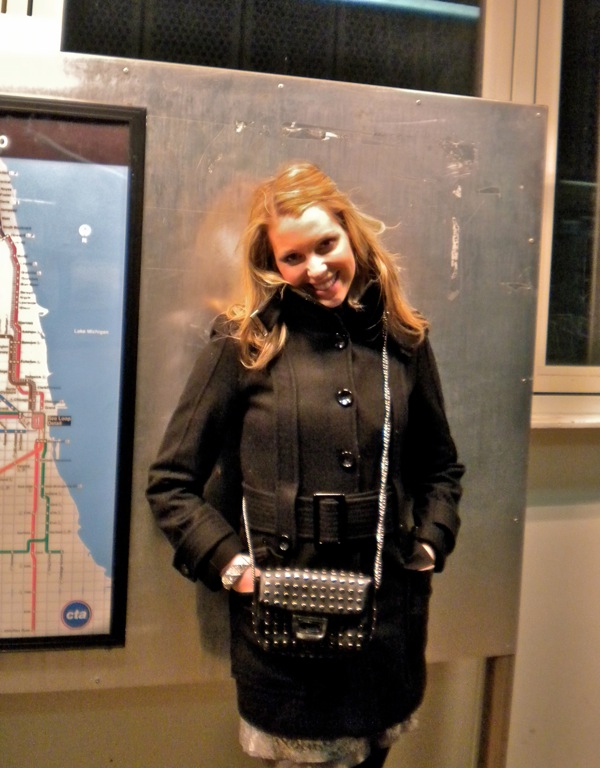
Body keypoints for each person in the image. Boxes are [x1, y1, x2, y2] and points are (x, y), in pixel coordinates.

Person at [146, 161, 465, 768]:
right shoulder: (245, 343)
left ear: (350, 234)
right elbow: (170, 483)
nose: (315, 268)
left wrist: (429, 544)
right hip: (286, 643)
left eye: (325, 244)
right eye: (293, 257)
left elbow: (440, 468)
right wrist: (233, 568)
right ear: (273, 264)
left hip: (387, 638)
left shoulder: (402, 340)